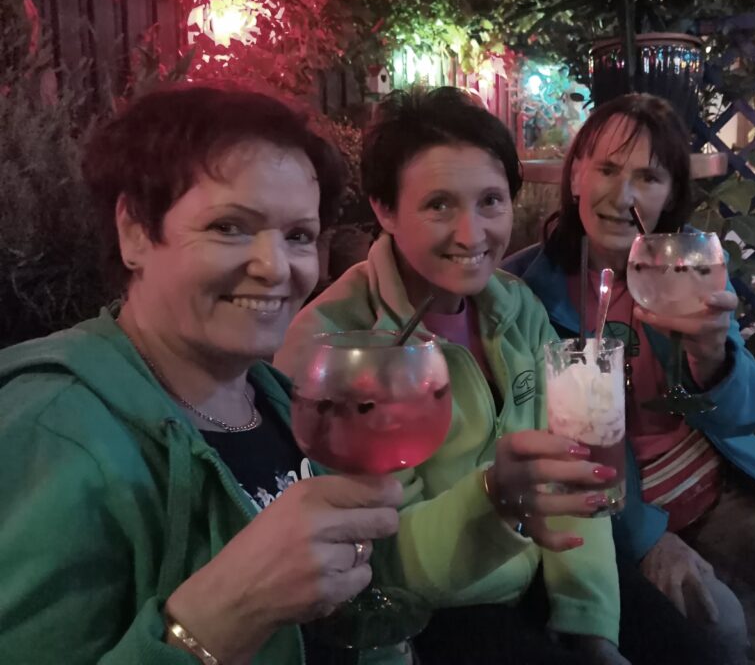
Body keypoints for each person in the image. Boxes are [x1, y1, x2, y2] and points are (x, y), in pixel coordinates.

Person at [275, 87, 716, 665]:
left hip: (548, 564)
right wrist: (495, 498)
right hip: (435, 609)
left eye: (490, 201)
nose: (471, 234)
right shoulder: (335, 347)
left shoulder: (516, 307)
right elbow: (382, 558)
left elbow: (571, 469)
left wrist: (592, 627)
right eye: (438, 205)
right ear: (384, 209)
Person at [0, 84, 402, 665]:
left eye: (298, 236)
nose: (275, 267)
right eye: (229, 227)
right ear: (135, 232)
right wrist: (230, 611)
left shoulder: (277, 401)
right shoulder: (54, 433)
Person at [504, 93, 755, 665]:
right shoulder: (523, 291)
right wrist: (648, 540)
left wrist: (715, 359)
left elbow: (745, 415)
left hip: (712, 489)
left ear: (671, 193)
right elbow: (551, 444)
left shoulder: (680, 269)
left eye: (648, 177)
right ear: (576, 176)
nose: (623, 196)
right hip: (619, 510)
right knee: (721, 632)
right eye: (607, 169)